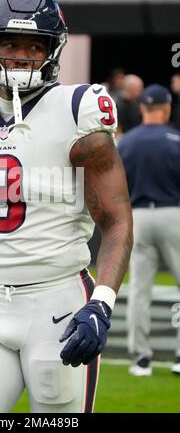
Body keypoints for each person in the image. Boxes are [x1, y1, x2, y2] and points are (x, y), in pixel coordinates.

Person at [0, 0, 133, 413]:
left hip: (58, 301)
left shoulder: (79, 108)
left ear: (52, 51)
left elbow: (116, 222)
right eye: (10, 44)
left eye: (34, 45)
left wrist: (101, 303)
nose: (22, 55)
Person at [118, 84, 180, 376]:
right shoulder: (176, 139)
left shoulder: (126, 142)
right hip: (173, 214)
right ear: (167, 108)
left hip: (138, 216)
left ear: (142, 107)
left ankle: (141, 359)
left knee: (140, 291)